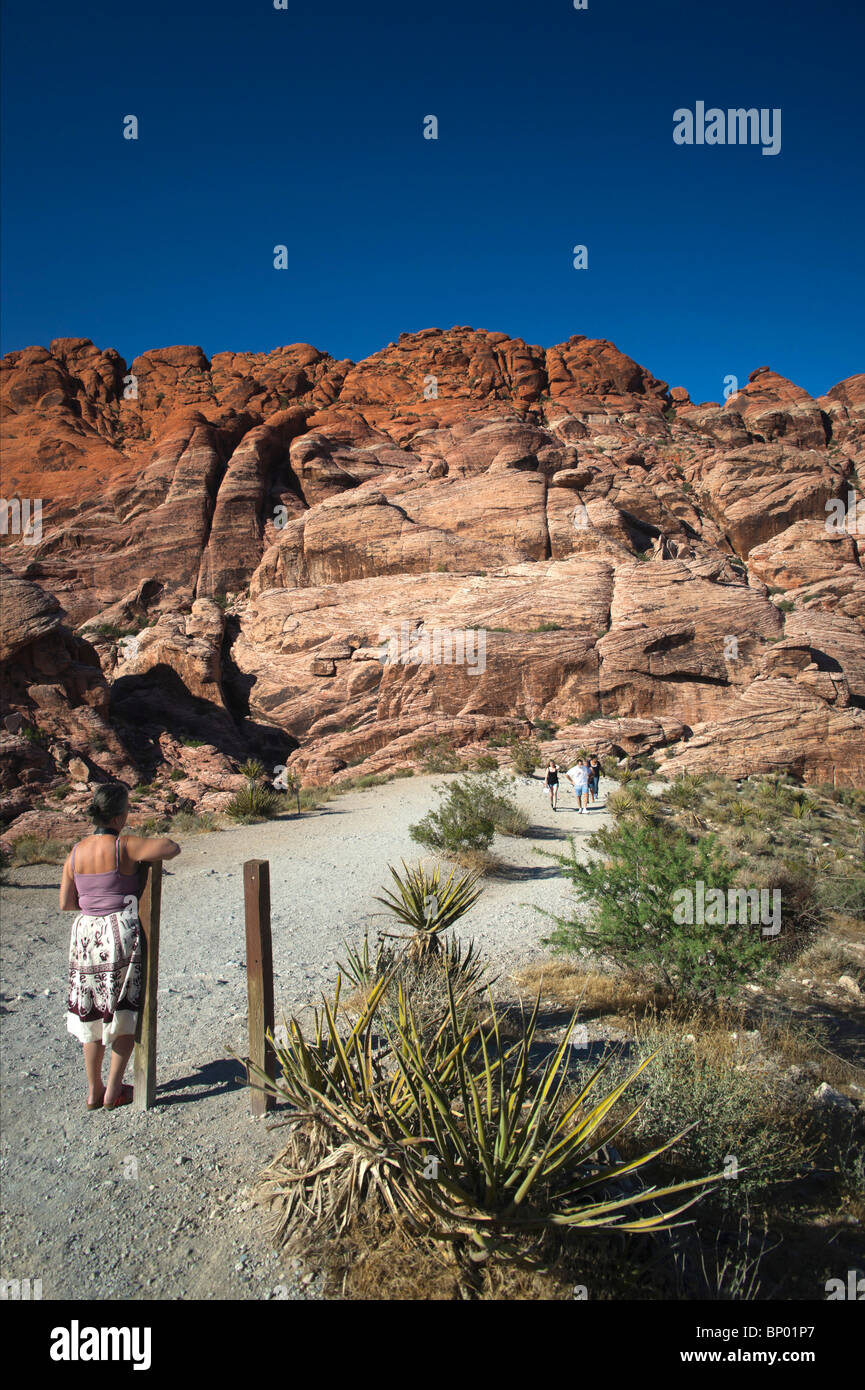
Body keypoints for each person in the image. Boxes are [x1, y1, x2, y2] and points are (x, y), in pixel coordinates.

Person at [60, 783, 181, 1111]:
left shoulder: (75, 852)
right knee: (123, 1010)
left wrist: (94, 904)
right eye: (126, 809)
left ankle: (93, 1089)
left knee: (92, 1011)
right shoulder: (123, 846)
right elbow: (170, 847)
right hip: (118, 932)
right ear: (117, 816)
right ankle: (114, 1089)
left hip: (85, 936)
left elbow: (66, 902)